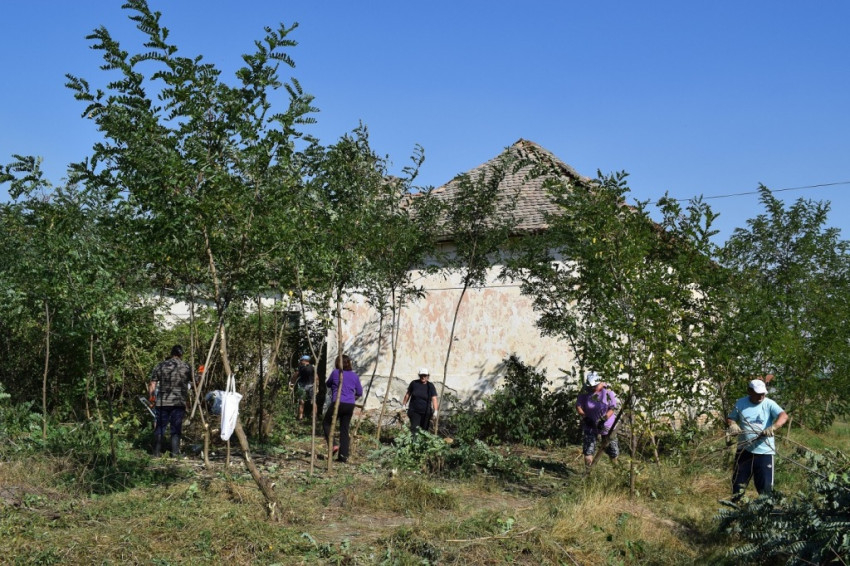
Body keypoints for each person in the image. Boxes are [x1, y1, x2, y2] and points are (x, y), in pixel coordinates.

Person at [727, 378, 788, 499]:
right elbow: (730, 418)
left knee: (765, 489)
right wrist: (732, 424)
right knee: (738, 486)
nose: (761, 396)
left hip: (764, 452)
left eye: (763, 393)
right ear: (749, 391)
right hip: (744, 450)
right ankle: (737, 507)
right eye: (758, 393)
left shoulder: (769, 403)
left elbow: (783, 416)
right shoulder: (741, 403)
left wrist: (774, 427)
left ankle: (765, 508)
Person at [148, 345, 193, 458]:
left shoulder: (160, 366)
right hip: (178, 402)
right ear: (181, 354)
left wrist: (152, 398)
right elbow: (196, 382)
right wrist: (201, 374)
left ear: (171, 353)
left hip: (162, 402)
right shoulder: (186, 366)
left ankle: (156, 453)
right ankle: (175, 453)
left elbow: (152, 383)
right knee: (176, 427)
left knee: (160, 427)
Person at [575, 371, 619, 473]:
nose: (592, 388)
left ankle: (617, 472)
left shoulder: (607, 392)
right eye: (590, 386)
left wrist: (604, 419)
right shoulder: (585, 392)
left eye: (594, 386)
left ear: (600, 383)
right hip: (590, 424)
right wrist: (585, 417)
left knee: (613, 451)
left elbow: (612, 408)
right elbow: (578, 406)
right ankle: (588, 473)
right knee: (588, 450)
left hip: (607, 425)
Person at [323, 354, 363, 463]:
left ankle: (334, 445)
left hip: (337, 403)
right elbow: (359, 392)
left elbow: (328, 384)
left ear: (337, 363)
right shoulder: (354, 376)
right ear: (349, 363)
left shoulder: (336, 373)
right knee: (344, 429)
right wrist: (351, 397)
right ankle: (343, 457)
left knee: (326, 423)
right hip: (350, 405)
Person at [402, 367, 439, 434]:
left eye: (425, 375)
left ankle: (422, 441)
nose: (423, 377)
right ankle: (414, 440)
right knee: (414, 429)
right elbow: (408, 394)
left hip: (426, 412)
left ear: (428, 376)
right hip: (414, 411)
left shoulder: (430, 386)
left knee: (424, 431)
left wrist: (435, 411)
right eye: (421, 375)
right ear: (419, 375)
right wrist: (404, 405)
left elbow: (434, 398)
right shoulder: (414, 383)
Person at [290, 355, 314, 420]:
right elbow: (316, 377)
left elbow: (295, 375)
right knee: (313, 401)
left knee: (302, 401)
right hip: (310, 385)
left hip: (303, 386)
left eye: (301, 360)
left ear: (304, 361)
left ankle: (301, 416)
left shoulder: (300, 368)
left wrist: (292, 383)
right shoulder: (312, 367)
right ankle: (314, 416)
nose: (300, 361)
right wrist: (317, 385)